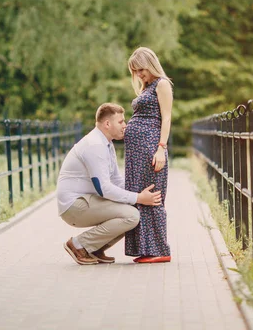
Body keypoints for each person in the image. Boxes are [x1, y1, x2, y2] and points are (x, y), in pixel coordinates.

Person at [57, 103, 163, 265]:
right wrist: (138, 198)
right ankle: (79, 244)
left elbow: (116, 180)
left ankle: (93, 248)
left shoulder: (106, 143)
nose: (125, 125)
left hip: (86, 200)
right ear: (107, 124)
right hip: (74, 206)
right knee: (131, 215)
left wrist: (140, 193)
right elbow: (104, 189)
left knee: (134, 210)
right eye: (120, 122)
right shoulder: (95, 145)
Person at [124, 47, 173, 263]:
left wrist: (161, 147)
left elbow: (167, 117)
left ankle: (160, 250)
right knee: (140, 196)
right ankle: (145, 249)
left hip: (151, 148)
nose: (139, 75)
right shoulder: (146, 87)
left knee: (152, 196)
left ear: (151, 64)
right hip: (136, 153)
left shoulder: (162, 84)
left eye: (141, 69)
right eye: (135, 71)